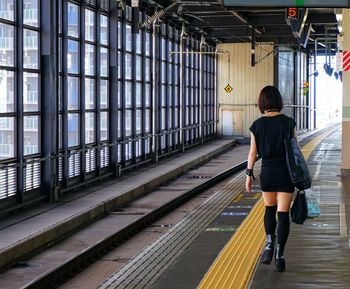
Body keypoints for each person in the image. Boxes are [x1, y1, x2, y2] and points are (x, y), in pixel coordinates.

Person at [245, 85, 296, 273]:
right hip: (286, 174)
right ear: (278, 102)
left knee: (269, 209)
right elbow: (294, 152)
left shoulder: (257, 125)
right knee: (283, 215)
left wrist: (249, 175)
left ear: (262, 103)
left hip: (267, 173)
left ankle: (269, 243)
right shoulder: (289, 123)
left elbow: (252, 153)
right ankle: (280, 255)